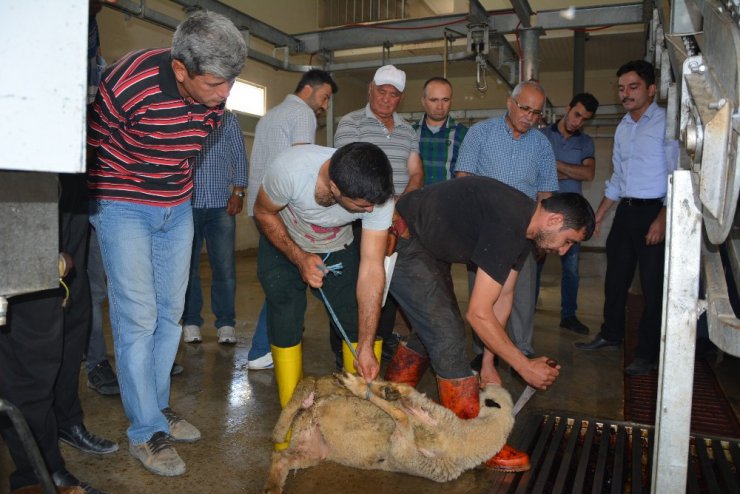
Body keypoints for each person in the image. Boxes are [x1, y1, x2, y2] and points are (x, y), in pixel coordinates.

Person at [87, 11, 247, 476]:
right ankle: (144, 432)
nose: (224, 96)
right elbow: (92, 143)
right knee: (137, 316)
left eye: (231, 83)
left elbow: (190, 145)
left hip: (177, 204)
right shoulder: (129, 82)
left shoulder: (214, 98)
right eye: (216, 84)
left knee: (170, 314)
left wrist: (172, 194)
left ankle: (155, 409)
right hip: (122, 202)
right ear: (181, 69)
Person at [383, 177, 595, 472]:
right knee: (447, 333)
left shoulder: (526, 233)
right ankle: (474, 441)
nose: (564, 251)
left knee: (435, 325)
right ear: (555, 219)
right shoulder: (509, 222)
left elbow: (501, 299)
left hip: (428, 245)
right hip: (403, 234)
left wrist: (488, 362)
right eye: (569, 240)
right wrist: (524, 366)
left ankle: (387, 405)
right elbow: (479, 314)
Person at [253, 142, 393, 420]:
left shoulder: (377, 196)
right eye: (362, 207)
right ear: (335, 188)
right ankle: (292, 410)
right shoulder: (291, 169)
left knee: (355, 318)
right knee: (285, 313)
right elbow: (262, 212)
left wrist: (365, 345)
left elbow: (372, 268)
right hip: (285, 240)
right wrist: (300, 257)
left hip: (337, 244)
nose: (369, 212)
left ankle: (359, 410)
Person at [575, 60, 678, 376]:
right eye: (621, 88)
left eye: (633, 87)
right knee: (615, 279)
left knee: (651, 287)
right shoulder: (623, 127)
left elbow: (678, 174)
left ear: (650, 89)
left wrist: (663, 216)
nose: (626, 93)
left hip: (654, 212)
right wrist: (600, 215)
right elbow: (618, 178)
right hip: (627, 212)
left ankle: (647, 353)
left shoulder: (665, 123)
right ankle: (610, 335)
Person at [455, 80, 558, 358]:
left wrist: (541, 237)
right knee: (483, 297)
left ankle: (520, 349)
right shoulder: (480, 133)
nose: (530, 117)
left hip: (524, 232)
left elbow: (545, 194)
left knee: (520, 295)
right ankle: (482, 350)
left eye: (537, 113)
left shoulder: (542, 145)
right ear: (510, 103)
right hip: (483, 232)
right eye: (525, 108)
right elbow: (463, 180)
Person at [245, 69, 338, 370]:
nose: (324, 106)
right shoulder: (302, 115)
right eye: (324, 97)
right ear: (309, 90)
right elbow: (302, 165)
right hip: (283, 210)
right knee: (287, 282)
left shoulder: (270, 115)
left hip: (261, 205)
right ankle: (263, 348)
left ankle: (281, 338)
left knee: (279, 279)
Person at [334, 64, 423, 361]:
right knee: (352, 283)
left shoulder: (408, 130)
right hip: (358, 217)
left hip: (395, 219)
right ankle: (345, 346)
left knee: (387, 283)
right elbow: (347, 171)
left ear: (401, 97)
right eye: (381, 91)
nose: (386, 99)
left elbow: (415, 173)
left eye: (393, 94)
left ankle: (379, 343)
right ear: (370, 88)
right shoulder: (351, 123)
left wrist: (397, 208)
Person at [182, 111, 248, 345]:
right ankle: (190, 322)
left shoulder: (228, 120)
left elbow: (239, 156)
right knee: (187, 270)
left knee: (224, 268)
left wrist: (238, 192)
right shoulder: (184, 115)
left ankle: (226, 323)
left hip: (221, 205)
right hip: (186, 204)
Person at [536, 93, 600, 335]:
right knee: (536, 263)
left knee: (571, 269)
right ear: (567, 108)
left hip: (572, 219)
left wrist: (555, 165)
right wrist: (572, 170)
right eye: (576, 114)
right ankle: (527, 308)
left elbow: (588, 174)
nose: (578, 122)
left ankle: (568, 315)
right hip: (545, 212)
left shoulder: (586, 143)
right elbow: (537, 171)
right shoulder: (542, 136)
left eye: (584, 119)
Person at [412, 77, 468, 184]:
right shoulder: (410, 133)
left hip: (449, 199)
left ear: (451, 101)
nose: (440, 106)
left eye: (445, 100)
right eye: (434, 100)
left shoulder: (463, 134)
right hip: (417, 199)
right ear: (423, 101)